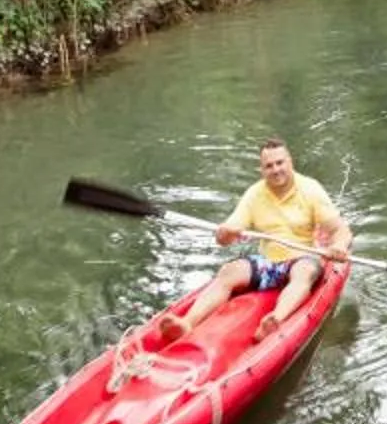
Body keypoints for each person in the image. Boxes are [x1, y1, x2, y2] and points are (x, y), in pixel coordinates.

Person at [151, 137, 352, 347]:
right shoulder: (254, 194)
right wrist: (225, 233)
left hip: (302, 258)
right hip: (268, 262)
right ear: (262, 170)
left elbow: (341, 230)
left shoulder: (310, 189)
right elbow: (225, 237)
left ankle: (275, 319)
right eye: (269, 166)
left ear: (290, 161)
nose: (275, 170)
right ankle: (187, 323)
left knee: (304, 271)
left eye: (280, 163)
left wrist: (338, 246)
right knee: (229, 271)